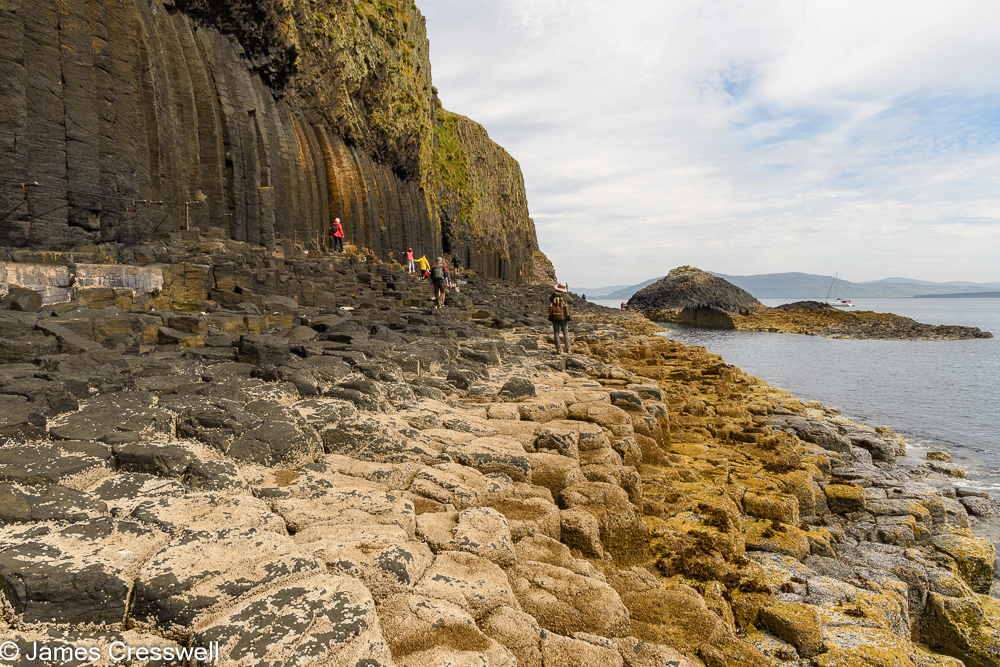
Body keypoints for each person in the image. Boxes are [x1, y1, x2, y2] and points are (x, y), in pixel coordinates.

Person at [548, 282, 572, 354]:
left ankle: (558, 349)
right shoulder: (565, 296)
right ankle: (568, 349)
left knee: (556, 332)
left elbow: (550, 300)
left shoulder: (554, 295)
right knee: (565, 333)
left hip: (554, 317)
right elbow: (571, 301)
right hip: (564, 317)